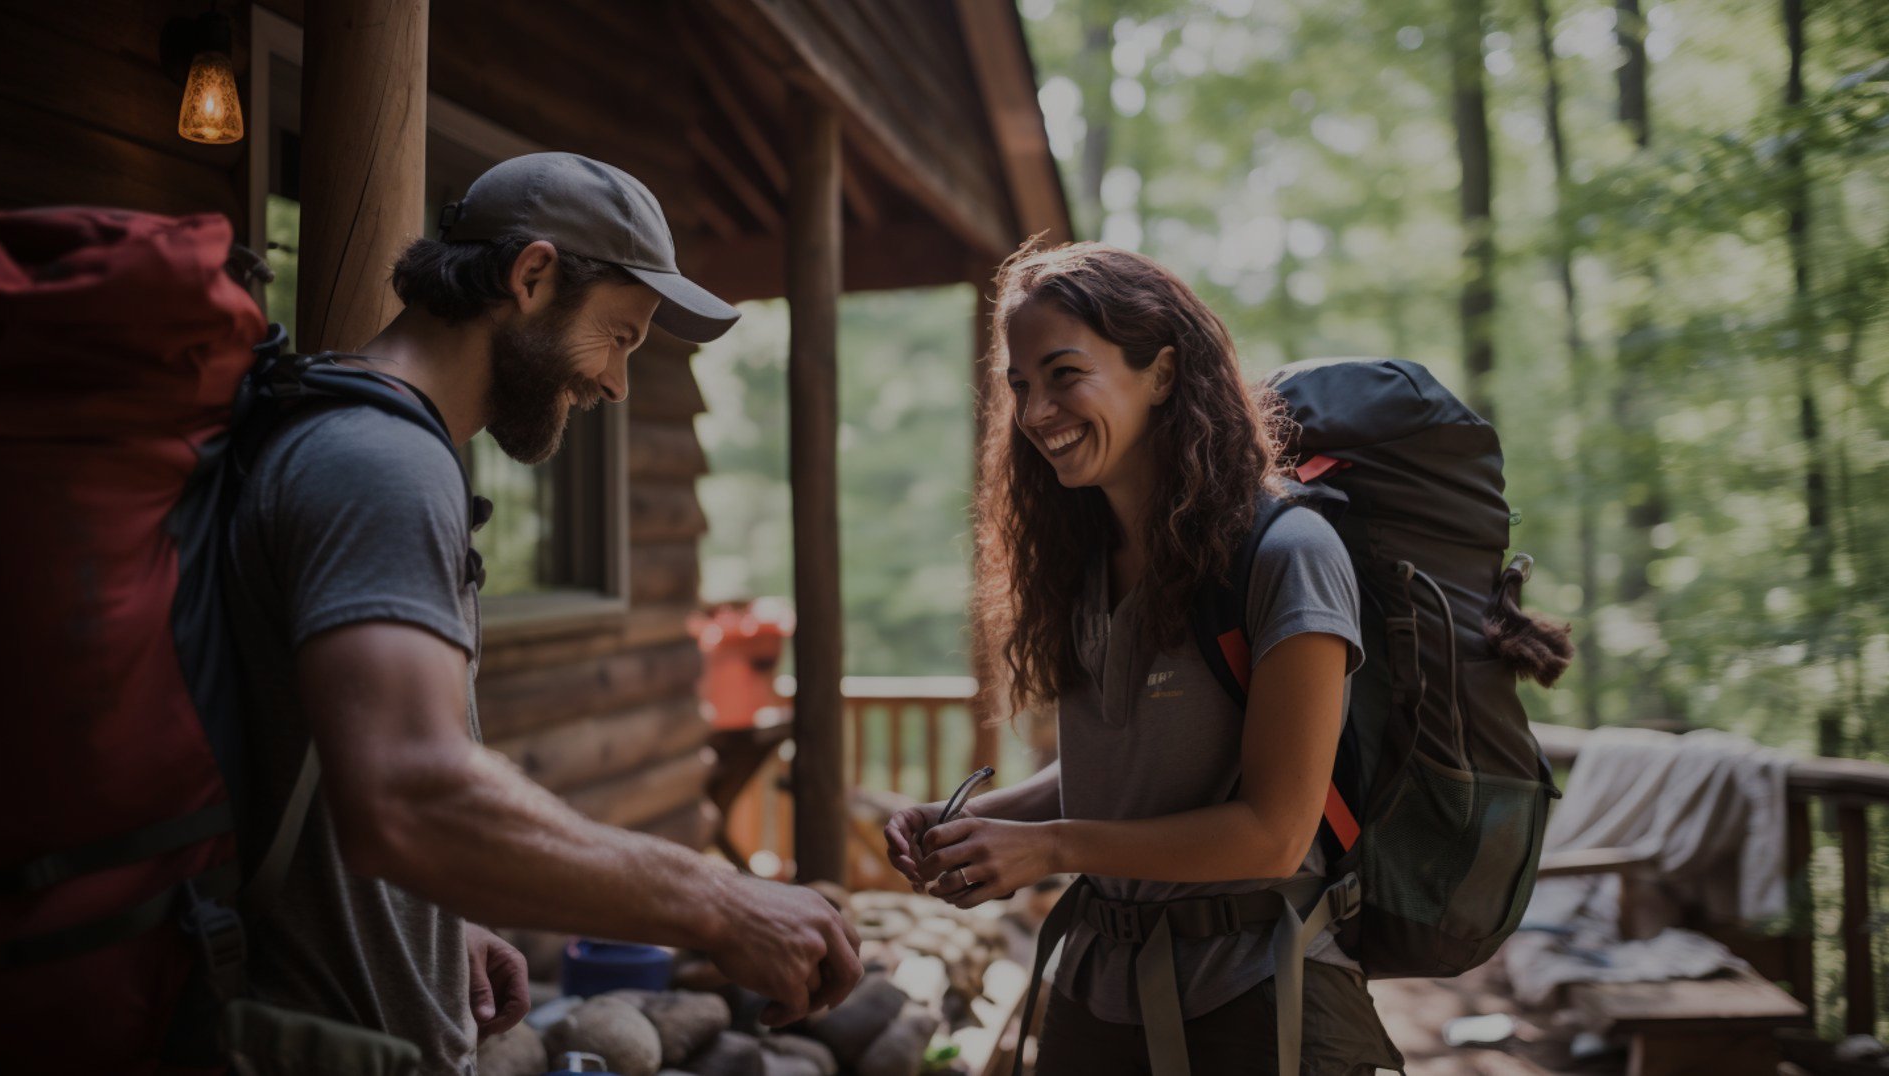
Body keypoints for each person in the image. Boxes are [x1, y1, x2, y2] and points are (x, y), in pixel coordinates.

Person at [224, 152, 860, 1074]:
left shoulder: (361, 439)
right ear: (532, 276)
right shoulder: (380, 465)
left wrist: (436, 925)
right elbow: (408, 796)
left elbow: (335, 771)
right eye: (622, 338)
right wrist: (720, 902)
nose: (617, 386)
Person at [883, 242, 1402, 1074]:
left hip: (1256, 996)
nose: (1035, 410)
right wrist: (977, 826)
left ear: (1160, 373)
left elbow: (1273, 833)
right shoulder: (1087, 567)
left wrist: (1051, 849)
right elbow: (1122, 773)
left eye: (1062, 374)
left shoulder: (1286, 553)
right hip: (1102, 984)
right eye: (1019, 385)